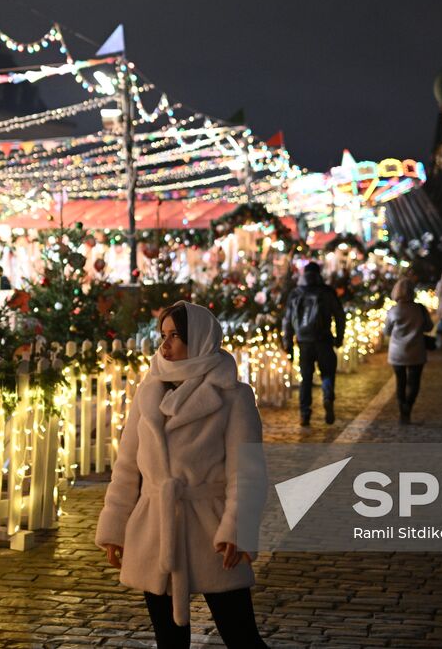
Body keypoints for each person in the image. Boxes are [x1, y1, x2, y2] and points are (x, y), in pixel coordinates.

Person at [97, 302, 269, 648]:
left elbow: (247, 472)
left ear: (200, 339)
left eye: (176, 335)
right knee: (169, 642)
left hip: (211, 530)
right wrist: (115, 527)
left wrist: (237, 528)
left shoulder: (232, 396)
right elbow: (128, 467)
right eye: (163, 335)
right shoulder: (148, 392)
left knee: (242, 637)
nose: (165, 344)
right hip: (155, 527)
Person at [282, 261, 346, 425]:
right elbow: (339, 315)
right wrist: (339, 337)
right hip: (324, 339)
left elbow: (288, 320)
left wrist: (287, 343)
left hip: (304, 342)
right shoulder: (327, 292)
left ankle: (305, 414)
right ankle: (327, 394)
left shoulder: (296, 293)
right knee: (327, 373)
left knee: (306, 378)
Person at [384, 279, 432, 424]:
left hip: (397, 352)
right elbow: (429, 327)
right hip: (416, 350)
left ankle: (402, 411)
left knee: (400, 382)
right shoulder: (420, 309)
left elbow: (387, 331)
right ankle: (408, 406)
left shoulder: (393, 310)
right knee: (414, 382)